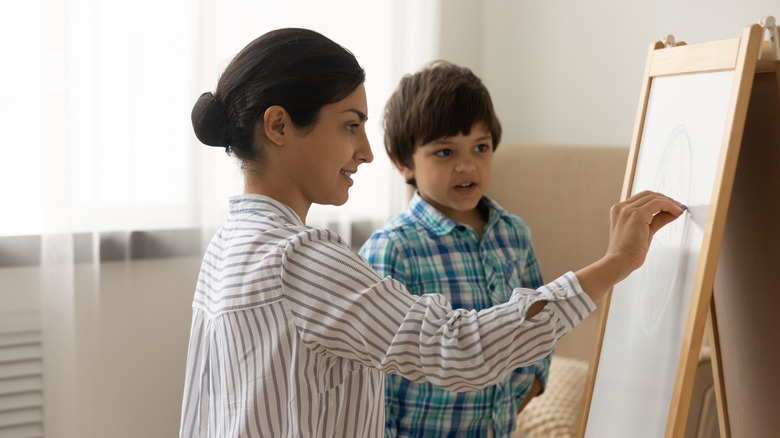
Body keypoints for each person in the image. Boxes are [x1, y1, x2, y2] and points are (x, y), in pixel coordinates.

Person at [180, 27, 685, 438]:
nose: (365, 152)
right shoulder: (300, 259)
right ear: (279, 126)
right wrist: (617, 260)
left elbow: (200, 413)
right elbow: (457, 347)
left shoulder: (228, 246)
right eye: (350, 125)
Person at [358, 60, 547, 437]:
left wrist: (531, 384)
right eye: (445, 152)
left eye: (481, 147)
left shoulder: (514, 235)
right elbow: (374, 376)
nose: (467, 165)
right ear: (402, 162)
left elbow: (538, 322)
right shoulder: (392, 249)